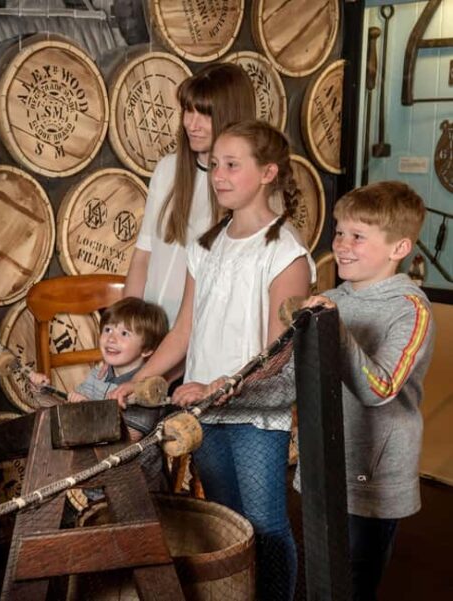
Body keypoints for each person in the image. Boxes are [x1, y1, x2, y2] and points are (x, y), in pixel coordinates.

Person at [111, 120, 314, 600]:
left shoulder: (285, 254)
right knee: (226, 519)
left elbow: (275, 357)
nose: (219, 176)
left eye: (232, 165)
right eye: (216, 165)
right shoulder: (206, 245)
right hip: (202, 408)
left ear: (268, 173)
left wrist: (218, 386)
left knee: (264, 523)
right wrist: (140, 377)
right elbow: (184, 330)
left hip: (254, 415)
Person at [300, 181, 435, 601]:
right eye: (340, 231)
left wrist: (333, 328)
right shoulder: (328, 297)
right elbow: (294, 380)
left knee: (353, 587)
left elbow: (379, 388)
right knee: (318, 578)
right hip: (323, 467)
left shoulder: (411, 309)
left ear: (399, 248)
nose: (342, 244)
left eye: (358, 236)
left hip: (373, 477)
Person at [124, 62, 256, 330]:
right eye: (188, 110)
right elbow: (143, 257)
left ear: (231, 116)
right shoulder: (167, 170)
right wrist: (127, 327)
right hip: (150, 334)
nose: (191, 124)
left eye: (204, 114)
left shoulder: (248, 187)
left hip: (202, 339)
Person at [28, 297, 169, 440]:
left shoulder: (147, 389)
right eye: (108, 329)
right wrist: (42, 392)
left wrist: (88, 410)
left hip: (128, 453)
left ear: (147, 349)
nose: (111, 339)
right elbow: (62, 416)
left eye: (124, 333)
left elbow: (130, 439)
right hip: (91, 446)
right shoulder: (98, 374)